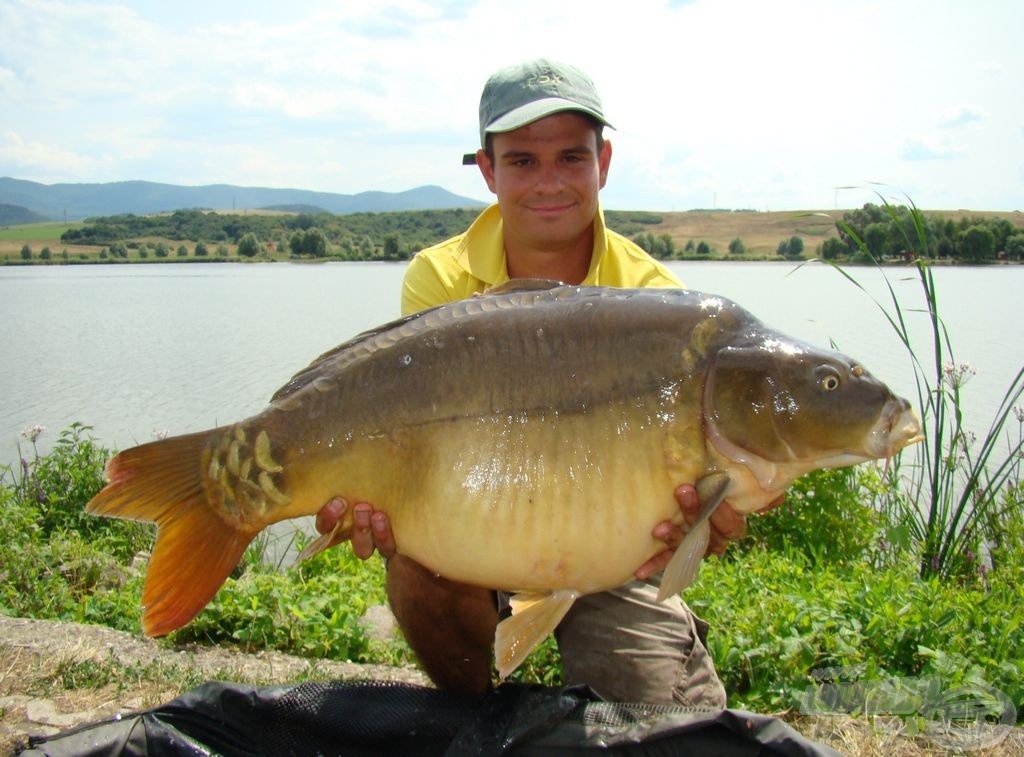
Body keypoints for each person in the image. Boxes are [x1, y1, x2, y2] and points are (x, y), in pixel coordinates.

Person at [315, 58, 757, 707]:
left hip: (610, 552)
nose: (549, 182)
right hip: (475, 526)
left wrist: (707, 517)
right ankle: (482, 717)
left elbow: (707, 499)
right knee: (416, 569)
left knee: (662, 721)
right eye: (522, 161)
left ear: (603, 162)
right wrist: (374, 494)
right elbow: (413, 435)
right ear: (488, 170)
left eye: (570, 158)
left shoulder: (660, 305)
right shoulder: (439, 279)